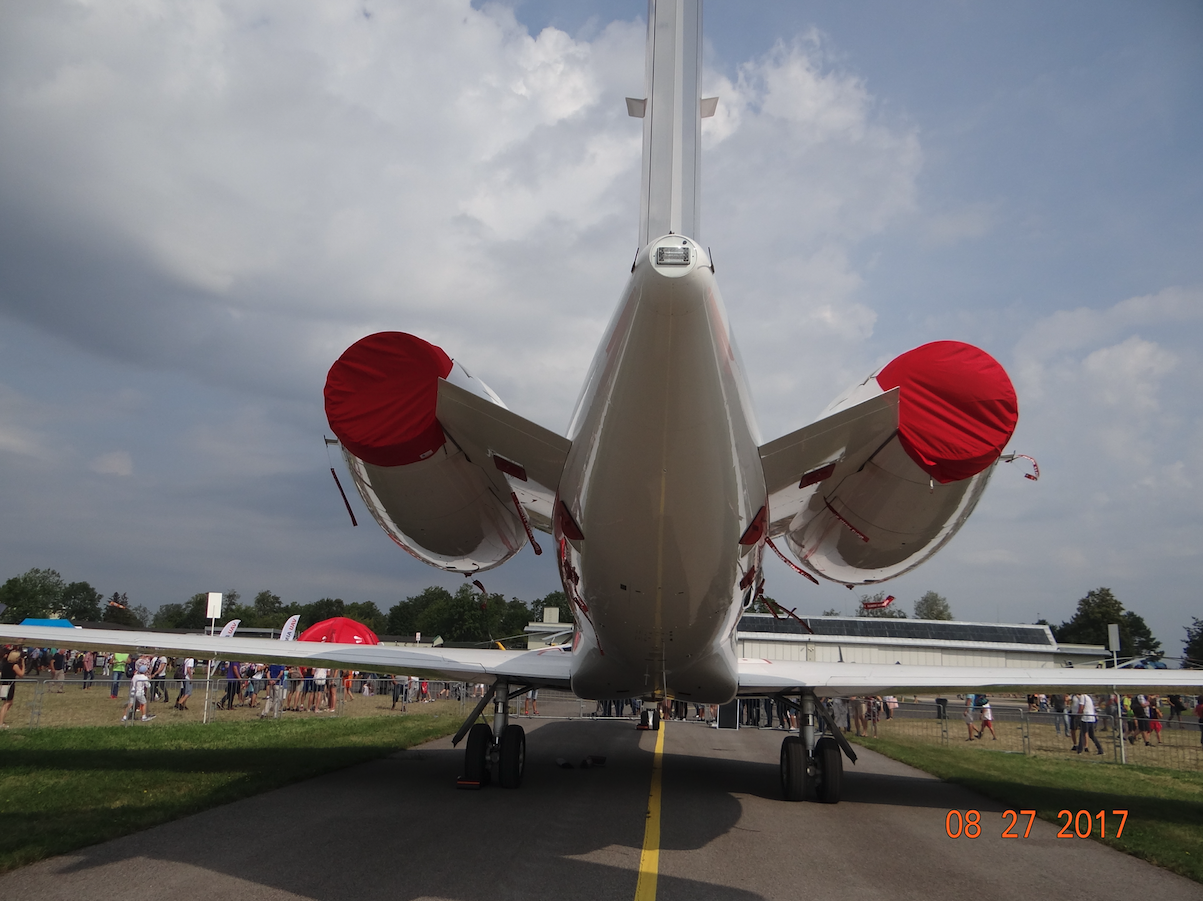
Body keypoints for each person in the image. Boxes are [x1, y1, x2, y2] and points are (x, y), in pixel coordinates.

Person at [0, 647, 26, 728]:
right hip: (9, 685)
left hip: (4, 684)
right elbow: (21, 674)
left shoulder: (5, 664)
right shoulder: (14, 666)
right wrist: (23, 664)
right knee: (7, 703)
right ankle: (0, 723)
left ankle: (1, 719)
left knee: (9, 703)